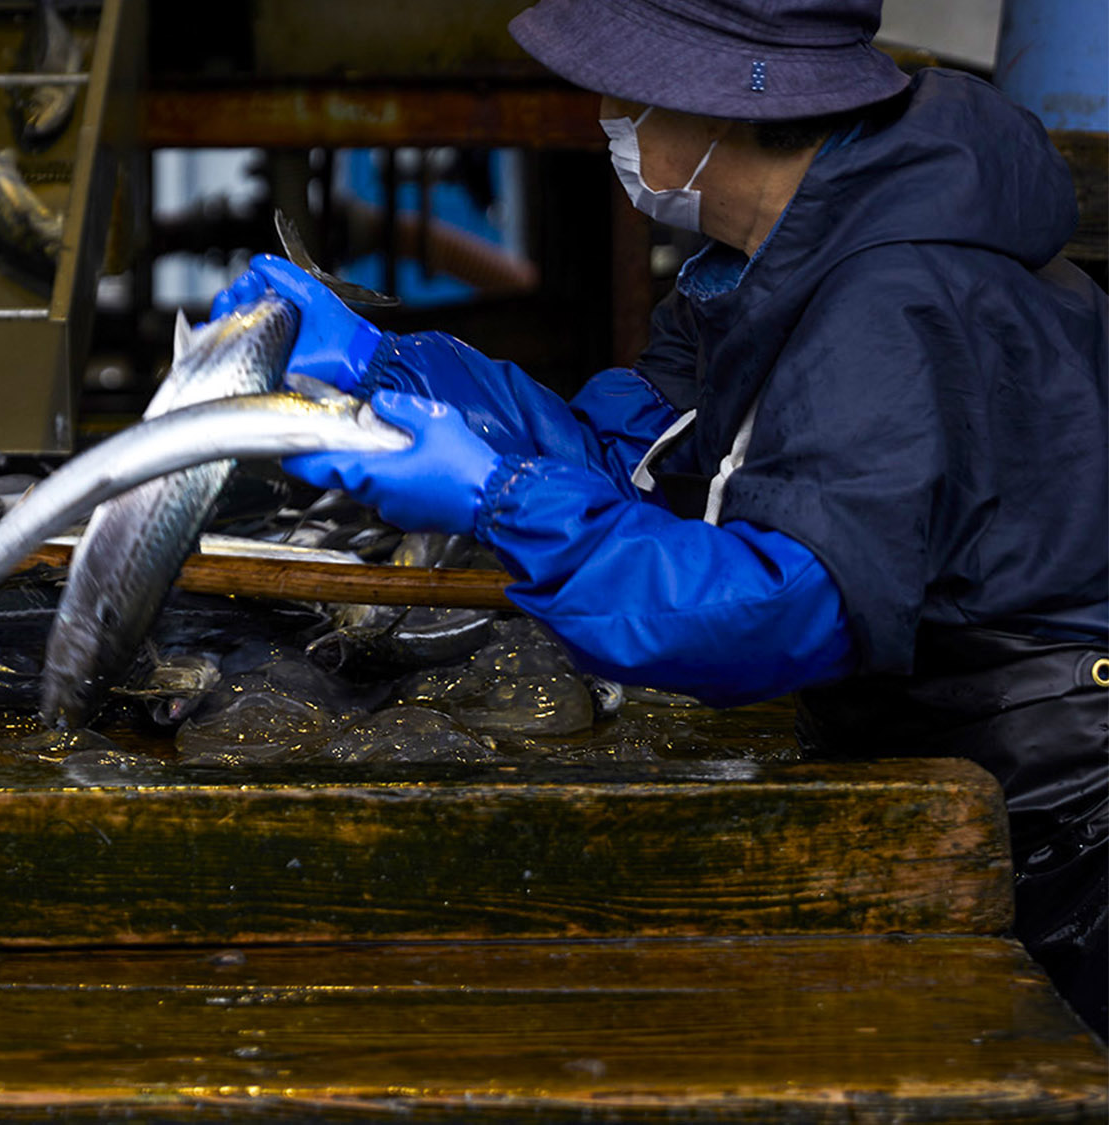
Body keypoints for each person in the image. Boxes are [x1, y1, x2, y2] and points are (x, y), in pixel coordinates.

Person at [213, 0, 1108, 1035]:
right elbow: (643, 463)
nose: (607, 116)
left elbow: (766, 613)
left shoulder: (892, 296)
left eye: (628, 90)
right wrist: (390, 368)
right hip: (967, 758)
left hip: (1060, 805)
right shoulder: (774, 261)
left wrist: (493, 496)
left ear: (718, 101)